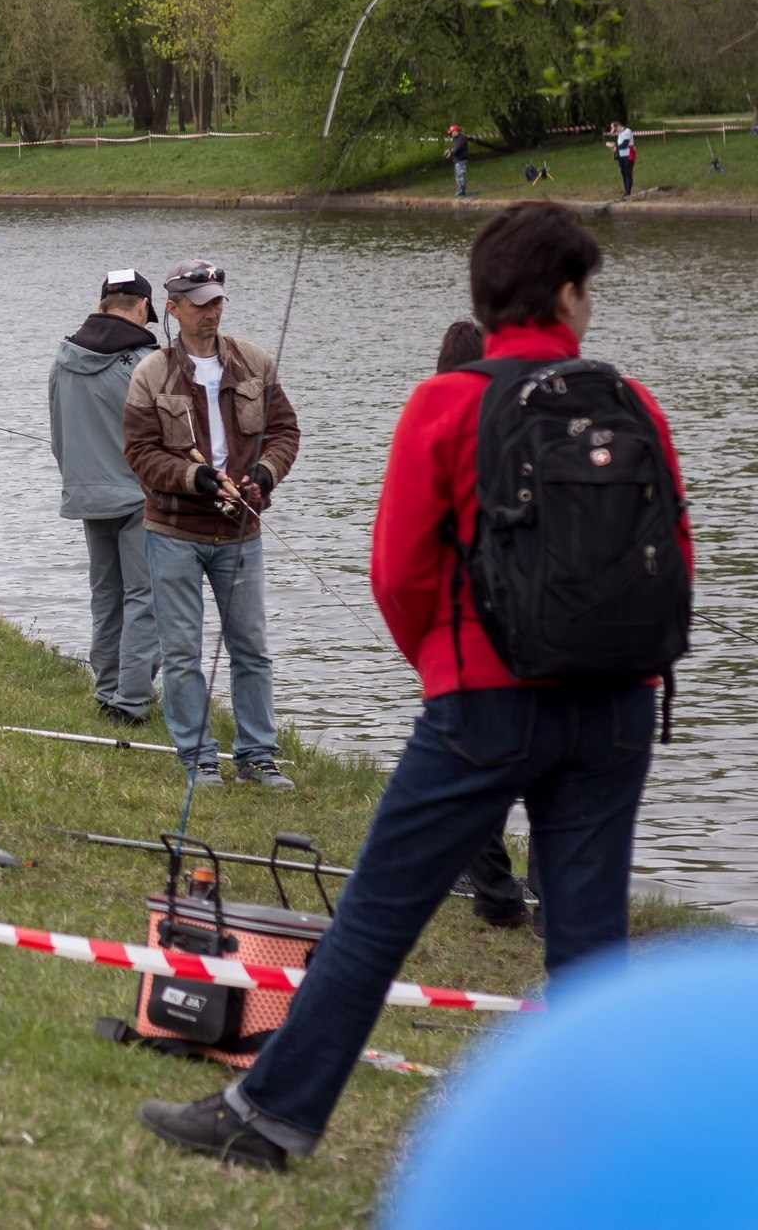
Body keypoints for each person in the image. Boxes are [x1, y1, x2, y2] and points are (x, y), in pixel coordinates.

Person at [142, 203, 689, 1171]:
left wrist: (449, 670)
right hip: (618, 707)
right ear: (568, 297)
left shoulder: (445, 402)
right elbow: (674, 554)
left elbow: (397, 574)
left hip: (482, 701)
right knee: (591, 945)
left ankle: (270, 1117)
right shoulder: (632, 401)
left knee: (377, 918)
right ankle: (612, 1152)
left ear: (483, 300)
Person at [122, 259, 303, 789]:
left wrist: (265, 475)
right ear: (173, 309)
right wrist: (195, 477)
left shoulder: (255, 362)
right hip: (173, 532)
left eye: (218, 301)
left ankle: (257, 756)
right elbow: (139, 453)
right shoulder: (150, 373)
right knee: (182, 653)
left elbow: (285, 433)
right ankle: (198, 758)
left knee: (252, 648)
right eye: (200, 304)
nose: (212, 311)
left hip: (241, 532)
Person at [429, 315, 536, 930]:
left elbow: (404, 560)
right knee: (546, 771)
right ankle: (546, 897)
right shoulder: (527, 423)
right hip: (545, 629)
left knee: (471, 770)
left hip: (472, 636)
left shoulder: (436, 423)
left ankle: (496, 892)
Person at [48, 268, 160, 725]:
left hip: (87, 492)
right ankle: (131, 702)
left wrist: (79, 478)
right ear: (143, 307)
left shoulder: (63, 359)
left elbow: (58, 434)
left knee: (106, 595)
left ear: (101, 306)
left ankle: (108, 689)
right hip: (141, 497)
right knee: (145, 597)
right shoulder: (148, 362)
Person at [606, 120, 636, 197]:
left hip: (628, 154)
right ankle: (626, 190)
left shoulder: (627, 131)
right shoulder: (620, 133)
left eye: (616, 130)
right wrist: (614, 145)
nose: (616, 132)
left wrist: (616, 147)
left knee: (628, 173)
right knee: (623, 172)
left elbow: (625, 143)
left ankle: (628, 192)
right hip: (621, 155)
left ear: (618, 126)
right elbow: (619, 143)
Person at [446, 124, 471, 198]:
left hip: (461, 160)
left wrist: (450, 153)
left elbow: (457, 149)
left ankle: (461, 191)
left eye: (452, 132)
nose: (451, 134)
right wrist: (449, 150)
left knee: (460, 176)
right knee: (458, 176)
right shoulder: (457, 139)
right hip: (457, 161)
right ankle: (460, 190)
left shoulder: (461, 139)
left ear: (455, 131)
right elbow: (454, 148)